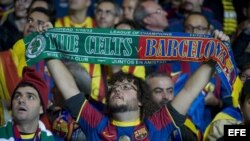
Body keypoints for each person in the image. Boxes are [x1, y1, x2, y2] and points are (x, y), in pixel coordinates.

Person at [44, 19, 229, 139]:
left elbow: (189, 91)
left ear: (141, 100)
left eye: (126, 86)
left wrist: (214, 59)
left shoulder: (157, 126)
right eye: (114, 86)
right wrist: (48, 47)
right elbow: (68, 86)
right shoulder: (95, 124)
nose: (117, 89)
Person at [0, 67, 55, 141]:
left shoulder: (50, 138)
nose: (21, 100)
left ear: (41, 108)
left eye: (30, 97)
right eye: (17, 96)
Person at [145, 72, 201, 141]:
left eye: (170, 91)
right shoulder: (137, 126)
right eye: (158, 91)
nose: (166, 97)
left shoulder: (186, 126)